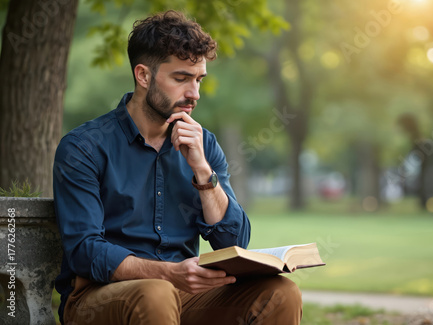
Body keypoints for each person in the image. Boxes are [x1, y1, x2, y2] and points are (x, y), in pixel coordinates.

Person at [52, 10, 302, 325]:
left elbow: (234, 244)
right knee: (156, 293)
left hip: (183, 293)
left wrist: (202, 171)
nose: (194, 94)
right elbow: (84, 250)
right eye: (181, 78)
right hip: (97, 296)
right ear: (143, 75)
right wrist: (168, 273)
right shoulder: (84, 147)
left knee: (280, 293)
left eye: (198, 79)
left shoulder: (204, 145)